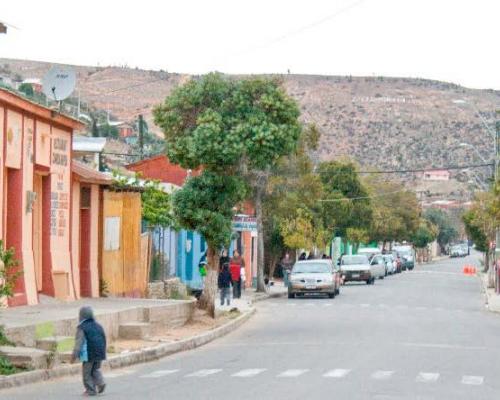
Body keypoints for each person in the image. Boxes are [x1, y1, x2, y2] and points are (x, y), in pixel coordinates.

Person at [71, 306, 107, 396]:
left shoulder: (82, 327)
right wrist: (103, 351)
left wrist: (74, 356)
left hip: (89, 354)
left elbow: (78, 343)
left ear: (81, 316)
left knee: (86, 373)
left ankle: (90, 390)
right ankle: (101, 383)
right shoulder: (98, 325)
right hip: (100, 352)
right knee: (95, 369)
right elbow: (104, 338)